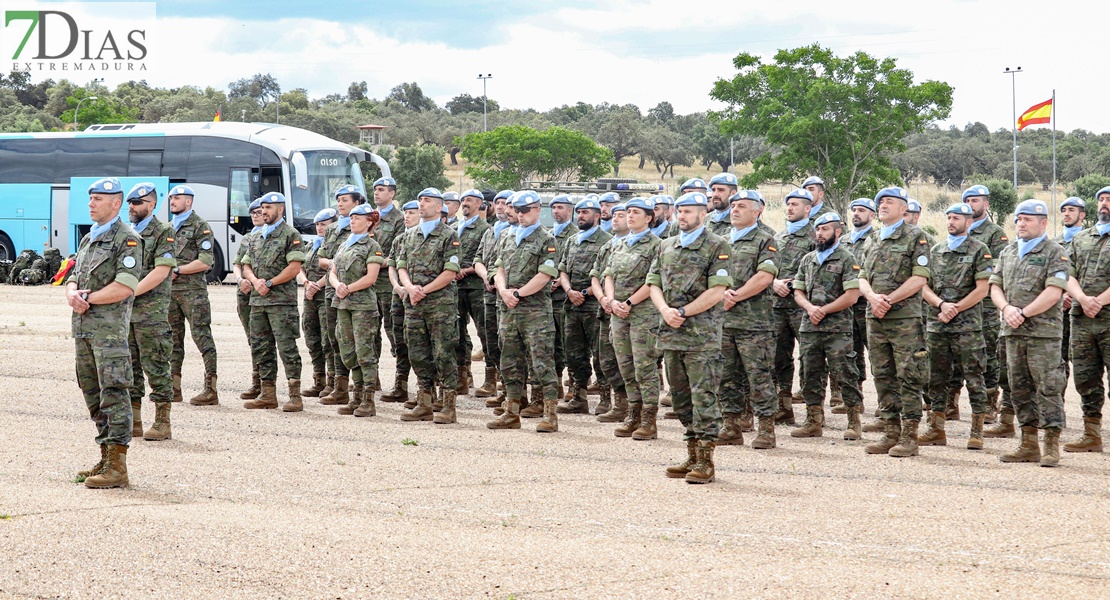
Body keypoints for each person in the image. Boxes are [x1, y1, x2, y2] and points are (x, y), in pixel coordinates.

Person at [649, 192, 732, 484]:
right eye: (680, 210)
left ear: (703, 214)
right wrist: (664, 310)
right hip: (671, 334)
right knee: (681, 399)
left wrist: (682, 311)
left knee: (703, 397)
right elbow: (653, 283)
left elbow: (717, 290)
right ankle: (691, 453)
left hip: (701, 337)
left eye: (689, 211)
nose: (682, 216)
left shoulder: (717, 246)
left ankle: (706, 461)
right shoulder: (666, 246)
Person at [67, 177, 142, 489]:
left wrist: (88, 299)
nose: (91, 204)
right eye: (91, 199)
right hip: (84, 331)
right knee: (93, 394)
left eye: (98, 199)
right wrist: (71, 291)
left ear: (116, 203)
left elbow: (125, 285)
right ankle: (104, 454)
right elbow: (73, 272)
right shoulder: (89, 238)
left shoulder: (127, 239)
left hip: (108, 334)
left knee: (114, 393)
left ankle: (117, 465)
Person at [990, 199, 1068, 466]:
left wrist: (1023, 313)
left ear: (1043, 223)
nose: (1021, 224)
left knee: (1048, 387)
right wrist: (1007, 308)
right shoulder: (1008, 251)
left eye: (1027, 220)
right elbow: (995, 286)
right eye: (1018, 219)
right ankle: (1028, 443)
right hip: (1012, 332)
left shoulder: (1054, 252)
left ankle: (1051, 444)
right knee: (1018, 388)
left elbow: (1053, 292)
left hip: (1043, 334)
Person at [858, 186, 931, 457]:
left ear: (904, 209)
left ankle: (910, 436)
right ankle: (890, 432)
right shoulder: (872, 238)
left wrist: (888, 299)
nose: (883, 206)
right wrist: (872, 298)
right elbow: (862, 276)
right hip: (875, 317)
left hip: (904, 318)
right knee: (883, 374)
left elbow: (920, 277)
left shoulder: (916, 237)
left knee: (909, 374)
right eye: (881, 203)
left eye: (890, 202)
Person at [918, 203, 993, 449]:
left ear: (969, 222)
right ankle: (936, 428)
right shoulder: (936, 250)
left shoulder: (979, 250)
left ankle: (977, 430)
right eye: (949, 217)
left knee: (974, 376)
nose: (951, 221)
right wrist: (941, 305)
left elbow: (982, 289)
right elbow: (923, 285)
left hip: (967, 326)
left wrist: (955, 308)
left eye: (957, 218)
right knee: (936, 377)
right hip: (938, 324)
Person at [488, 190, 561, 432]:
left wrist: (518, 293)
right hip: (509, 310)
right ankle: (511, 412)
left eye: (525, 210)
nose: (520, 215)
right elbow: (498, 267)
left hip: (535, 312)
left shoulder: (546, 240)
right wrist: (503, 291)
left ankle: (550, 415)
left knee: (542, 363)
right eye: (517, 211)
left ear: (538, 210)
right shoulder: (508, 236)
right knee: (509, 362)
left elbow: (545, 275)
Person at [792, 212, 865, 440]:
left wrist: (824, 310)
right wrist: (810, 308)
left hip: (838, 327)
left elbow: (852, 295)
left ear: (837, 232)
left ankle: (854, 422)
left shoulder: (846, 258)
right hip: (810, 327)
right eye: (818, 229)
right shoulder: (808, 259)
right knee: (810, 373)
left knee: (845, 373)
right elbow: (798, 291)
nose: (820, 234)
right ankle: (813, 421)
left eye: (825, 229)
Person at [718, 190, 779, 448]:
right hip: (723, 322)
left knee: (759, 376)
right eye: (733, 206)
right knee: (726, 377)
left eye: (742, 206)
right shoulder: (720, 241)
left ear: (757, 211)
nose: (735, 210)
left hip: (755, 324)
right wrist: (720, 295)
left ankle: (766, 429)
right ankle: (731, 426)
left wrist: (736, 296)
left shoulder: (766, 240)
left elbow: (766, 275)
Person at [397, 188, 461, 423]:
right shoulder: (409, 235)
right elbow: (401, 265)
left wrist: (424, 290)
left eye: (427, 201)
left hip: (439, 305)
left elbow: (451, 271)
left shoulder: (449, 235)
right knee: (418, 353)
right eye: (420, 200)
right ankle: (424, 402)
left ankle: (448, 406)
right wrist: (410, 288)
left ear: (439, 207)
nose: (421, 204)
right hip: (414, 303)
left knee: (443, 353)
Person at [240, 192, 306, 411]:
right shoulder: (256, 235)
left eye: (269, 207)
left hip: (281, 302)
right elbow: (245, 264)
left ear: (281, 209)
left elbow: (294, 268)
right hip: (258, 301)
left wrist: (269, 283)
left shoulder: (290, 234)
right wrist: (255, 281)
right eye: (263, 207)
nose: (264, 211)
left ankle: (295, 396)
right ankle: (268, 394)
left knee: (287, 347)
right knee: (261, 347)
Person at [605, 197, 664, 439]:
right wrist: (612, 301)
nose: (629, 216)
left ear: (649, 217)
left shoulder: (657, 245)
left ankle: (649, 420)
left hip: (644, 314)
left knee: (645, 367)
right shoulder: (619, 244)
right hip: (619, 313)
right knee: (626, 366)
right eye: (628, 211)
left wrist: (629, 303)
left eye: (636, 212)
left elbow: (654, 281)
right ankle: (633, 414)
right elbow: (608, 274)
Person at [125, 183, 178, 443]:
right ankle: (135, 421)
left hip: (151, 312)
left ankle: (162, 421)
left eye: (137, 202)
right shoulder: (126, 232)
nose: (132, 207)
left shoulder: (163, 231)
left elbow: (162, 271)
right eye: (130, 202)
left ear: (152, 204)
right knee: (130, 367)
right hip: (126, 313)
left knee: (156, 366)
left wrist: (129, 292)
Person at [1062, 187, 1110, 453]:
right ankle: (1092, 435)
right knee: (1085, 378)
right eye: (1101, 200)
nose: (1104, 204)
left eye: (1109, 200)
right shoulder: (1081, 239)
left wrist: (1098, 301)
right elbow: (1067, 272)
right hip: (1082, 319)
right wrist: (1082, 298)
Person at [557, 197, 612, 414]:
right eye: (579, 213)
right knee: (574, 354)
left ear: (597, 216)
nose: (580, 216)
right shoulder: (571, 240)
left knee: (600, 354)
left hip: (593, 307)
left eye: (585, 213)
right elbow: (562, 270)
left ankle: (606, 399)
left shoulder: (606, 241)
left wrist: (583, 293)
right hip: (572, 305)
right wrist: (569, 291)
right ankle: (578, 398)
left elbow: (606, 275)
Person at [330, 203, 385, 418]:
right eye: (351, 217)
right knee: (348, 350)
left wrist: (348, 288)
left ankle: (368, 400)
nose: (352, 220)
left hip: (363, 305)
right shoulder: (344, 244)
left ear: (369, 221)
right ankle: (356, 396)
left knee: (365, 352)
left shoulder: (372, 246)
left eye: (358, 217)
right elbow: (332, 272)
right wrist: (337, 286)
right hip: (343, 303)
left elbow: (371, 277)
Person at [963, 185, 1010, 427]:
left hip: (987, 304)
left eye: (976, 200)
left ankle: (991, 402)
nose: (972, 204)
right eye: (968, 200)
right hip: (962, 304)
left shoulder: (995, 233)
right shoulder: (959, 231)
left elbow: (998, 269)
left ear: (986, 204)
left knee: (989, 353)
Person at [167, 185, 218, 405]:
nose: (172, 201)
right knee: (172, 340)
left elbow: (206, 261)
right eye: (171, 198)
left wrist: (177, 270)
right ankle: (174, 388)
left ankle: (211, 389)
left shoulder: (200, 226)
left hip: (193, 292)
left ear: (188, 201)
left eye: (177, 198)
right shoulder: (167, 227)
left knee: (202, 337)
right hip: (170, 292)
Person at [770, 188, 817, 424]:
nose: (790, 208)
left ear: (807, 208)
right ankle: (784, 406)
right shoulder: (778, 238)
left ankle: (813, 412)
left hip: (803, 307)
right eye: (788, 204)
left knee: (810, 358)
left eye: (795, 205)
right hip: (777, 306)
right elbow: (766, 269)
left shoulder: (815, 238)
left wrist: (796, 284)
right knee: (779, 358)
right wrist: (774, 282)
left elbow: (821, 273)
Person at [318, 185, 365, 405]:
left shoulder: (362, 228)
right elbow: (322, 259)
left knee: (357, 341)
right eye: (338, 200)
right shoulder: (333, 228)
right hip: (333, 289)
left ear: (356, 203)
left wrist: (337, 262)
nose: (340, 203)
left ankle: (362, 387)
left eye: (345, 200)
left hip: (356, 292)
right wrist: (337, 263)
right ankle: (339, 385)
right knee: (334, 338)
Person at [472, 190, 514, 401]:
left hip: (508, 295)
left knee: (508, 342)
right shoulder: (490, 231)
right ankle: (491, 380)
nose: (499, 206)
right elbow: (478, 258)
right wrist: (486, 277)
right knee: (489, 339)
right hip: (488, 293)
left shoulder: (515, 232)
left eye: (505, 203)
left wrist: (496, 281)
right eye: (497, 202)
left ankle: (509, 388)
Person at [592, 203, 630, 422]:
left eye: (621, 215)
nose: (615, 219)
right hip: (607, 310)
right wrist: (604, 299)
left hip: (630, 312)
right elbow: (596, 275)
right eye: (614, 215)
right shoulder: (607, 247)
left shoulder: (650, 245)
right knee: (606, 360)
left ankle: (635, 408)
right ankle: (619, 403)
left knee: (629, 362)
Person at [381, 200, 422, 405]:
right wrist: (397, 287)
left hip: (421, 297)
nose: (407, 216)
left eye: (412, 213)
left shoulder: (424, 238)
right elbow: (392, 265)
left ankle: (425, 390)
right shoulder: (399, 239)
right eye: (405, 212)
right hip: (399, 296)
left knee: (419, 343)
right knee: (399, 340)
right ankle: (401, 385)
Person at [453, 189, 493, 395]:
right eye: (463, 201)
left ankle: (491, 378)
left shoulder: (485, 229)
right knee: (458, 332)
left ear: (479, 204)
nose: (465, 204)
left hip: (476, 287)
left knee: (484, 332)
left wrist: (465, 270)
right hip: (455, 287)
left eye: (469, 200)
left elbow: (485, 259)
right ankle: (463, 376)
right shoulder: (454, 228)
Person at [370, 177, 405, 391]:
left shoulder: (399, 219)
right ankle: (371, 380)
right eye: (375, 189)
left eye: (381, 190)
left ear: (391, 194)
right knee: (369, 332)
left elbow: (398, 251)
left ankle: (401, 382)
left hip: (388, 284)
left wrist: (374, 262)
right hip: (368, 285)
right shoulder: (367, 216)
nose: (377, 193)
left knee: (395, 332)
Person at [843, 198, 876, 414]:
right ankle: (857, 399)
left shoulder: (876, 239)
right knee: (852, 353)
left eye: (861, 210)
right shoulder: (844, 239)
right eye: (854, 210)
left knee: (876, 353)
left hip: (868, 304)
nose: (856, 213)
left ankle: (886, 402)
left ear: (872, 215)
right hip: (847, 306)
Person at [302, 208, 338, 398]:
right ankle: (319, 379)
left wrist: (317, 284)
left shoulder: (334, 245)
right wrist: (306, 282)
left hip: (325, 294)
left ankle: (332, 382)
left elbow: (334, 268)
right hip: (310, 296)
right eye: (317, 225)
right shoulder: (311, 245)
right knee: (312, 338)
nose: (319, 228)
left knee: (327, 340)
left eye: (323, 224)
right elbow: (300, 266)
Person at [235, 200, 266, 399]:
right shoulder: (247, 238)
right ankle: (257, 382)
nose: (255, 216)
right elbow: (237, 263)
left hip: (261, 292)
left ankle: (265, 383)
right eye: (252, 213)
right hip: (245, 292)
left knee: (264, 340)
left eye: (258, 212)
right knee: (252, 339)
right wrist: (239, 280)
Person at [1054, 196, 1086, 387]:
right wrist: (1060, 295)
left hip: (1082, 307)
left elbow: (1090, 273)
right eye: (1064, 211)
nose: (1066, 214)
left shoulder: (1088, 240)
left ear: (1082, 215)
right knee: (1058, 358)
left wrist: (1072, 294)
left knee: (1084, 361)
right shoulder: (1055, 243)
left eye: (1071, 210)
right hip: (1059, 308)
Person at [549, 194, 579, 400]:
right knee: (550, 343)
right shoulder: (548, 234)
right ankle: (556, 382)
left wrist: (560, 281)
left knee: (567, 343)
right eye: (554, 208)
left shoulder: (576, 235)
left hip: (564, 298)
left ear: (570, 211)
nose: (556, 211)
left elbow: (570, 266)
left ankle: (574, 385)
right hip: (547, 298)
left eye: (561, 208)